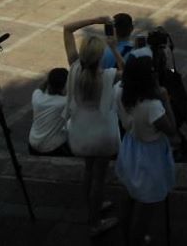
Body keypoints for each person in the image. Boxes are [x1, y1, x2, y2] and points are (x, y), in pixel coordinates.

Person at [63, 16, 124, 238]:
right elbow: (127, 72)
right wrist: (115, 49)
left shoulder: (74, 68)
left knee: (88, 170)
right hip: (103, 136)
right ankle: (95, 221)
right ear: (100, 57)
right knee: (99, 177)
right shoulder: (108, 75)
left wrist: (97, 18)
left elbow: (68, 28)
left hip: (80, 133)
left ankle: (90, 203)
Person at [115, 56, 177, 246]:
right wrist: (166, 100)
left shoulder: (119, 91)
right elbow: (172, 128)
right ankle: (136, 239)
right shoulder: (152, 105)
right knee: (145, 204)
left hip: (130, 147)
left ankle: (127, 236)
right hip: (150, 155)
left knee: (130, 196)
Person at [28, 68, 70, 156]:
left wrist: (49, 79)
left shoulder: (37, 96)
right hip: (52, 148)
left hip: (32, 144)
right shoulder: (65, 102)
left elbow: (40, 87)